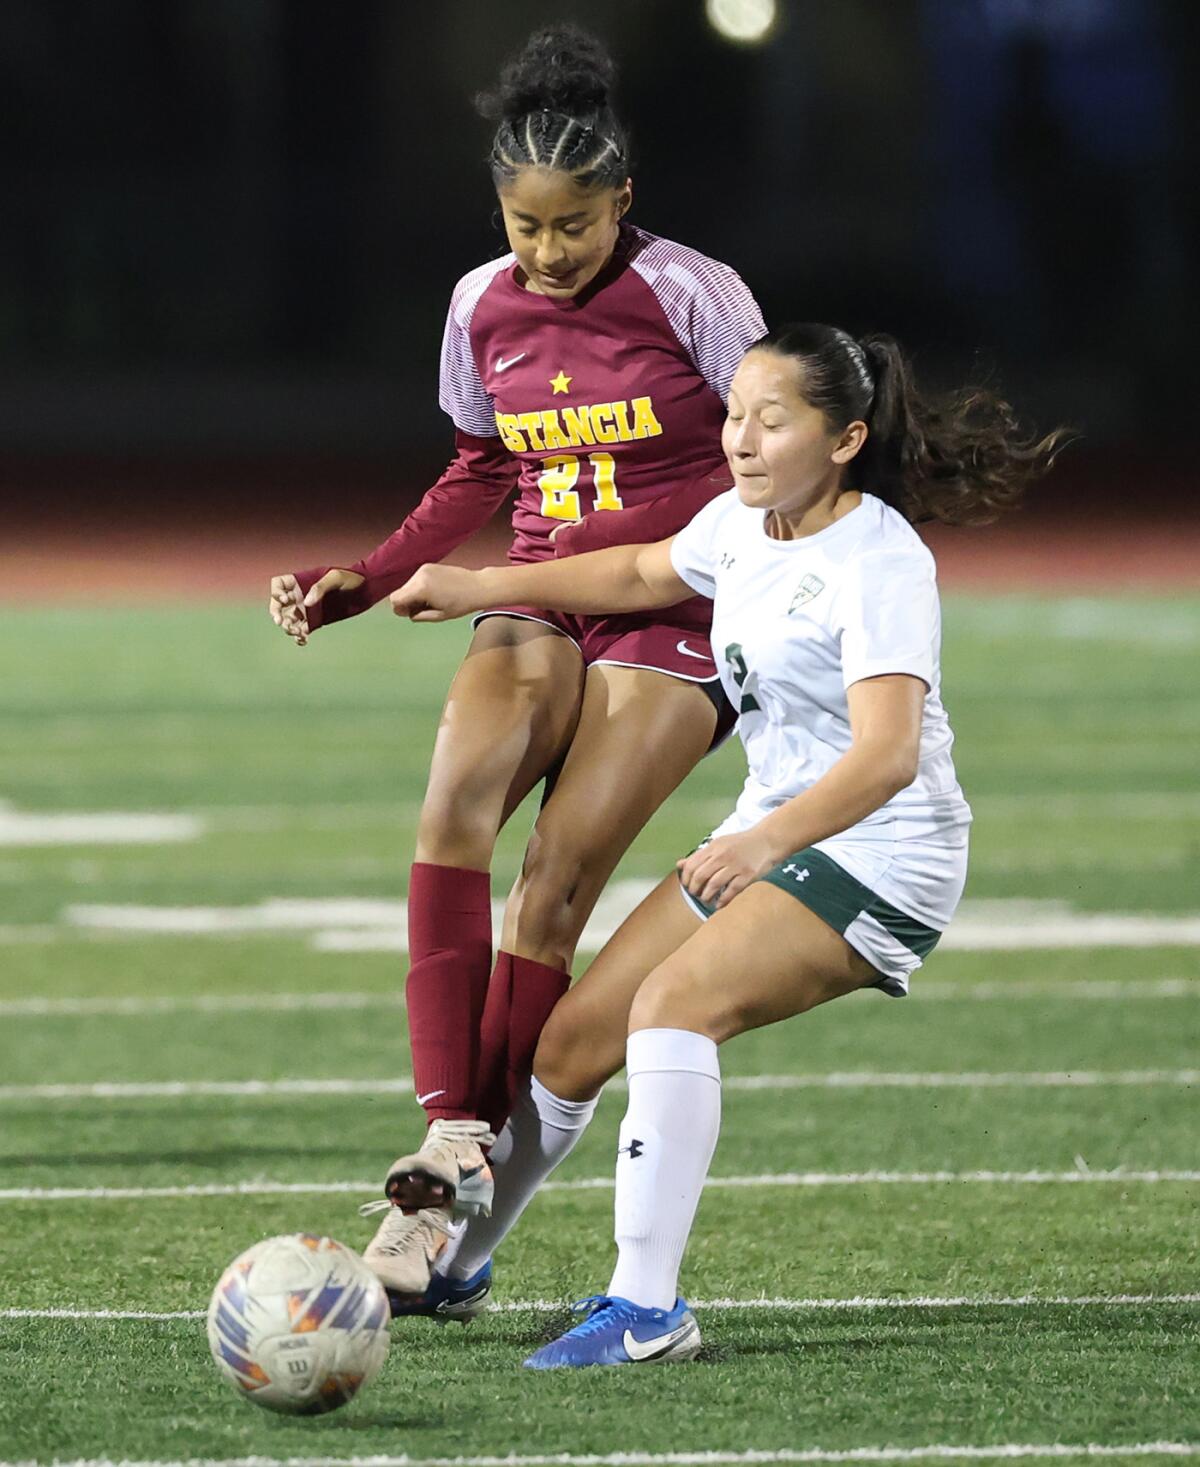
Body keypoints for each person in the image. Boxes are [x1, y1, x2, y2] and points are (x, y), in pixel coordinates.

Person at [390, 322, 1068, 1362]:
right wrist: (476, 586)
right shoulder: (745, 523)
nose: (740, 439)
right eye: (734, 415)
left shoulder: (881, 560)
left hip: (882, 852)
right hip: (775, 832)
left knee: (673, 1010)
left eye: (772, 420)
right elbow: (637, 574)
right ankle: (458, 1262)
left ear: (843, 439)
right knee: (571, 1046)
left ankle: (648, 1311)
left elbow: (886, 758)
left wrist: (759, 850)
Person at [267, 24, 765, 1304]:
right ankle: (456, 1134)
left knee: (554, 881)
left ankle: (462, 1173)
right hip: (539, 589)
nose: (547, 251)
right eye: (525, 224)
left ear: (623, 201)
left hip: (675, 609)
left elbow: (774, 444)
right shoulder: (476, 302)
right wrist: (365, 580)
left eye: (574, 226)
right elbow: (482, 469)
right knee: (453, 806)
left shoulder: (695, 292)